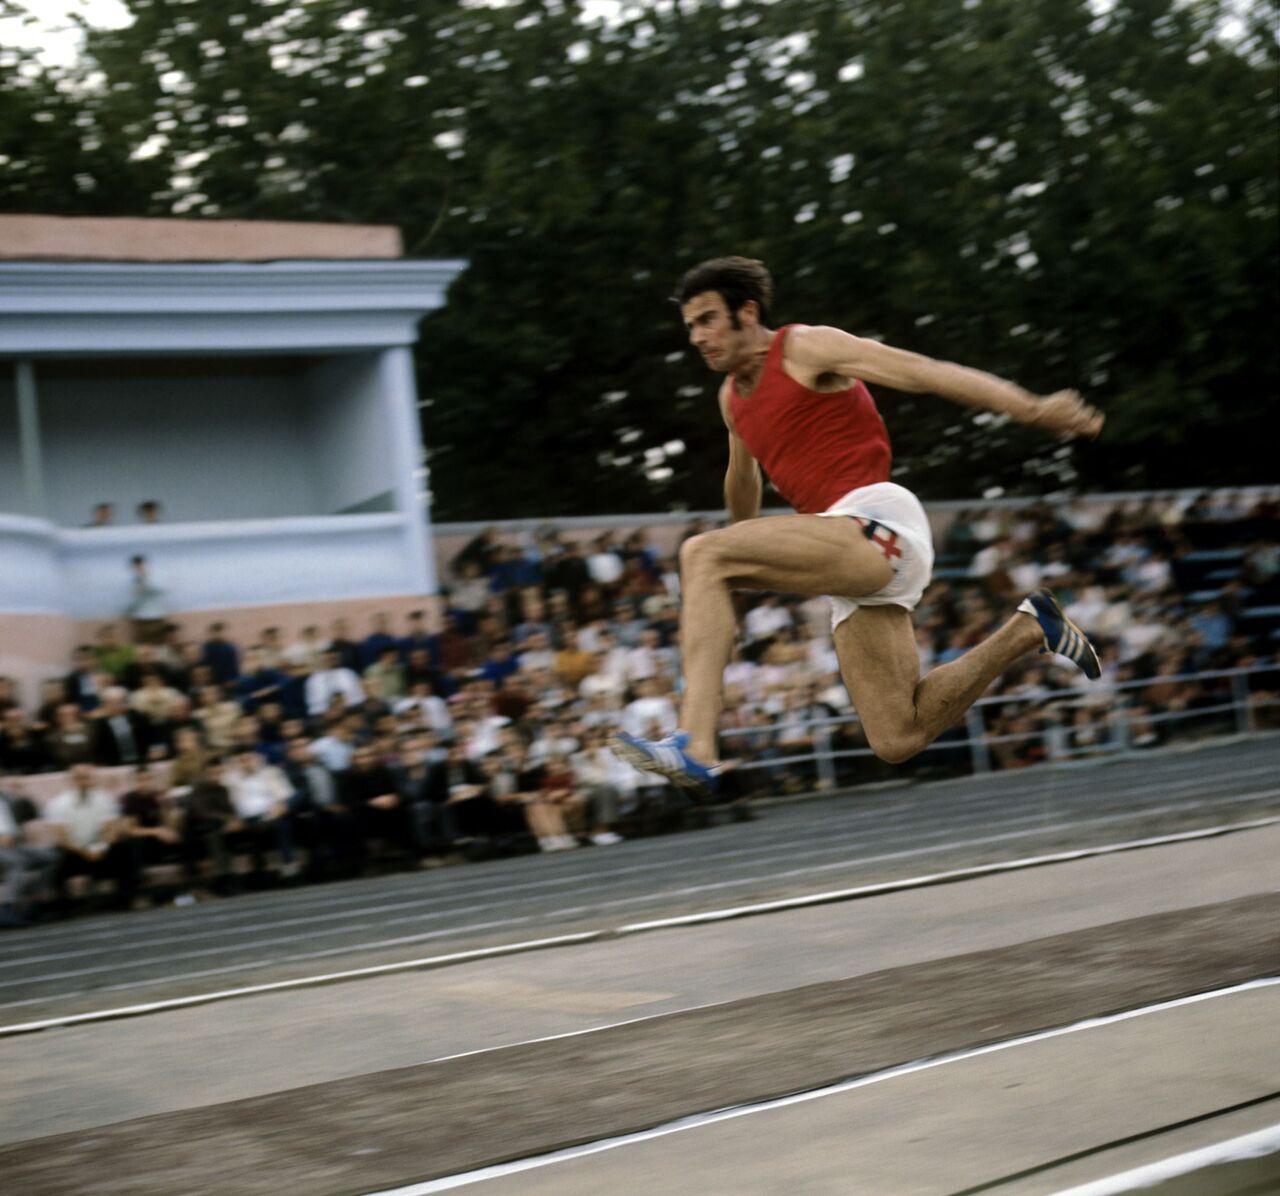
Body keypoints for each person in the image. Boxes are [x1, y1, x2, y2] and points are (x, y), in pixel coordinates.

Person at [611, 256, 1104, 791]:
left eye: (706, 319)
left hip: (878, 520)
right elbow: (742, 480)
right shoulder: (731, 398)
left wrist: (1032, 408)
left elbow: (923, 372)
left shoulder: (804, 347)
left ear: (747, 312)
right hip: (847, 555)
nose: (696, 337)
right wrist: (737, 556)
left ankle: (696, 746)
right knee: (897, 736)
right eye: (689, 326)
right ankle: (1031, 627)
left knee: (701, 553)